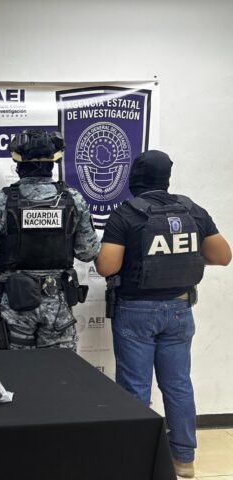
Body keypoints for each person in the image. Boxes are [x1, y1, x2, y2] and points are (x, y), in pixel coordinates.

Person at [94, 149, 231, 478]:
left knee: (135, 388)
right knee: (179, 384)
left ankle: (136, 461)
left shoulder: (126, 214)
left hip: (136, 311)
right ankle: (184, 459)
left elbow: (107, 267)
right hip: (180, 310)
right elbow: (223, 256)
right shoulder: (192, 210)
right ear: (166, 177)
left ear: (134, 178)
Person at [0, 130, 99, 350]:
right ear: (53, 163)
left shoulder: (1, 200)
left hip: (16, 305)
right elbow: (88, 252)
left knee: (19, 370)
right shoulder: (73, 199)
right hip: (57, 305)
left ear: (18, 164)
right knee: (61, 370)